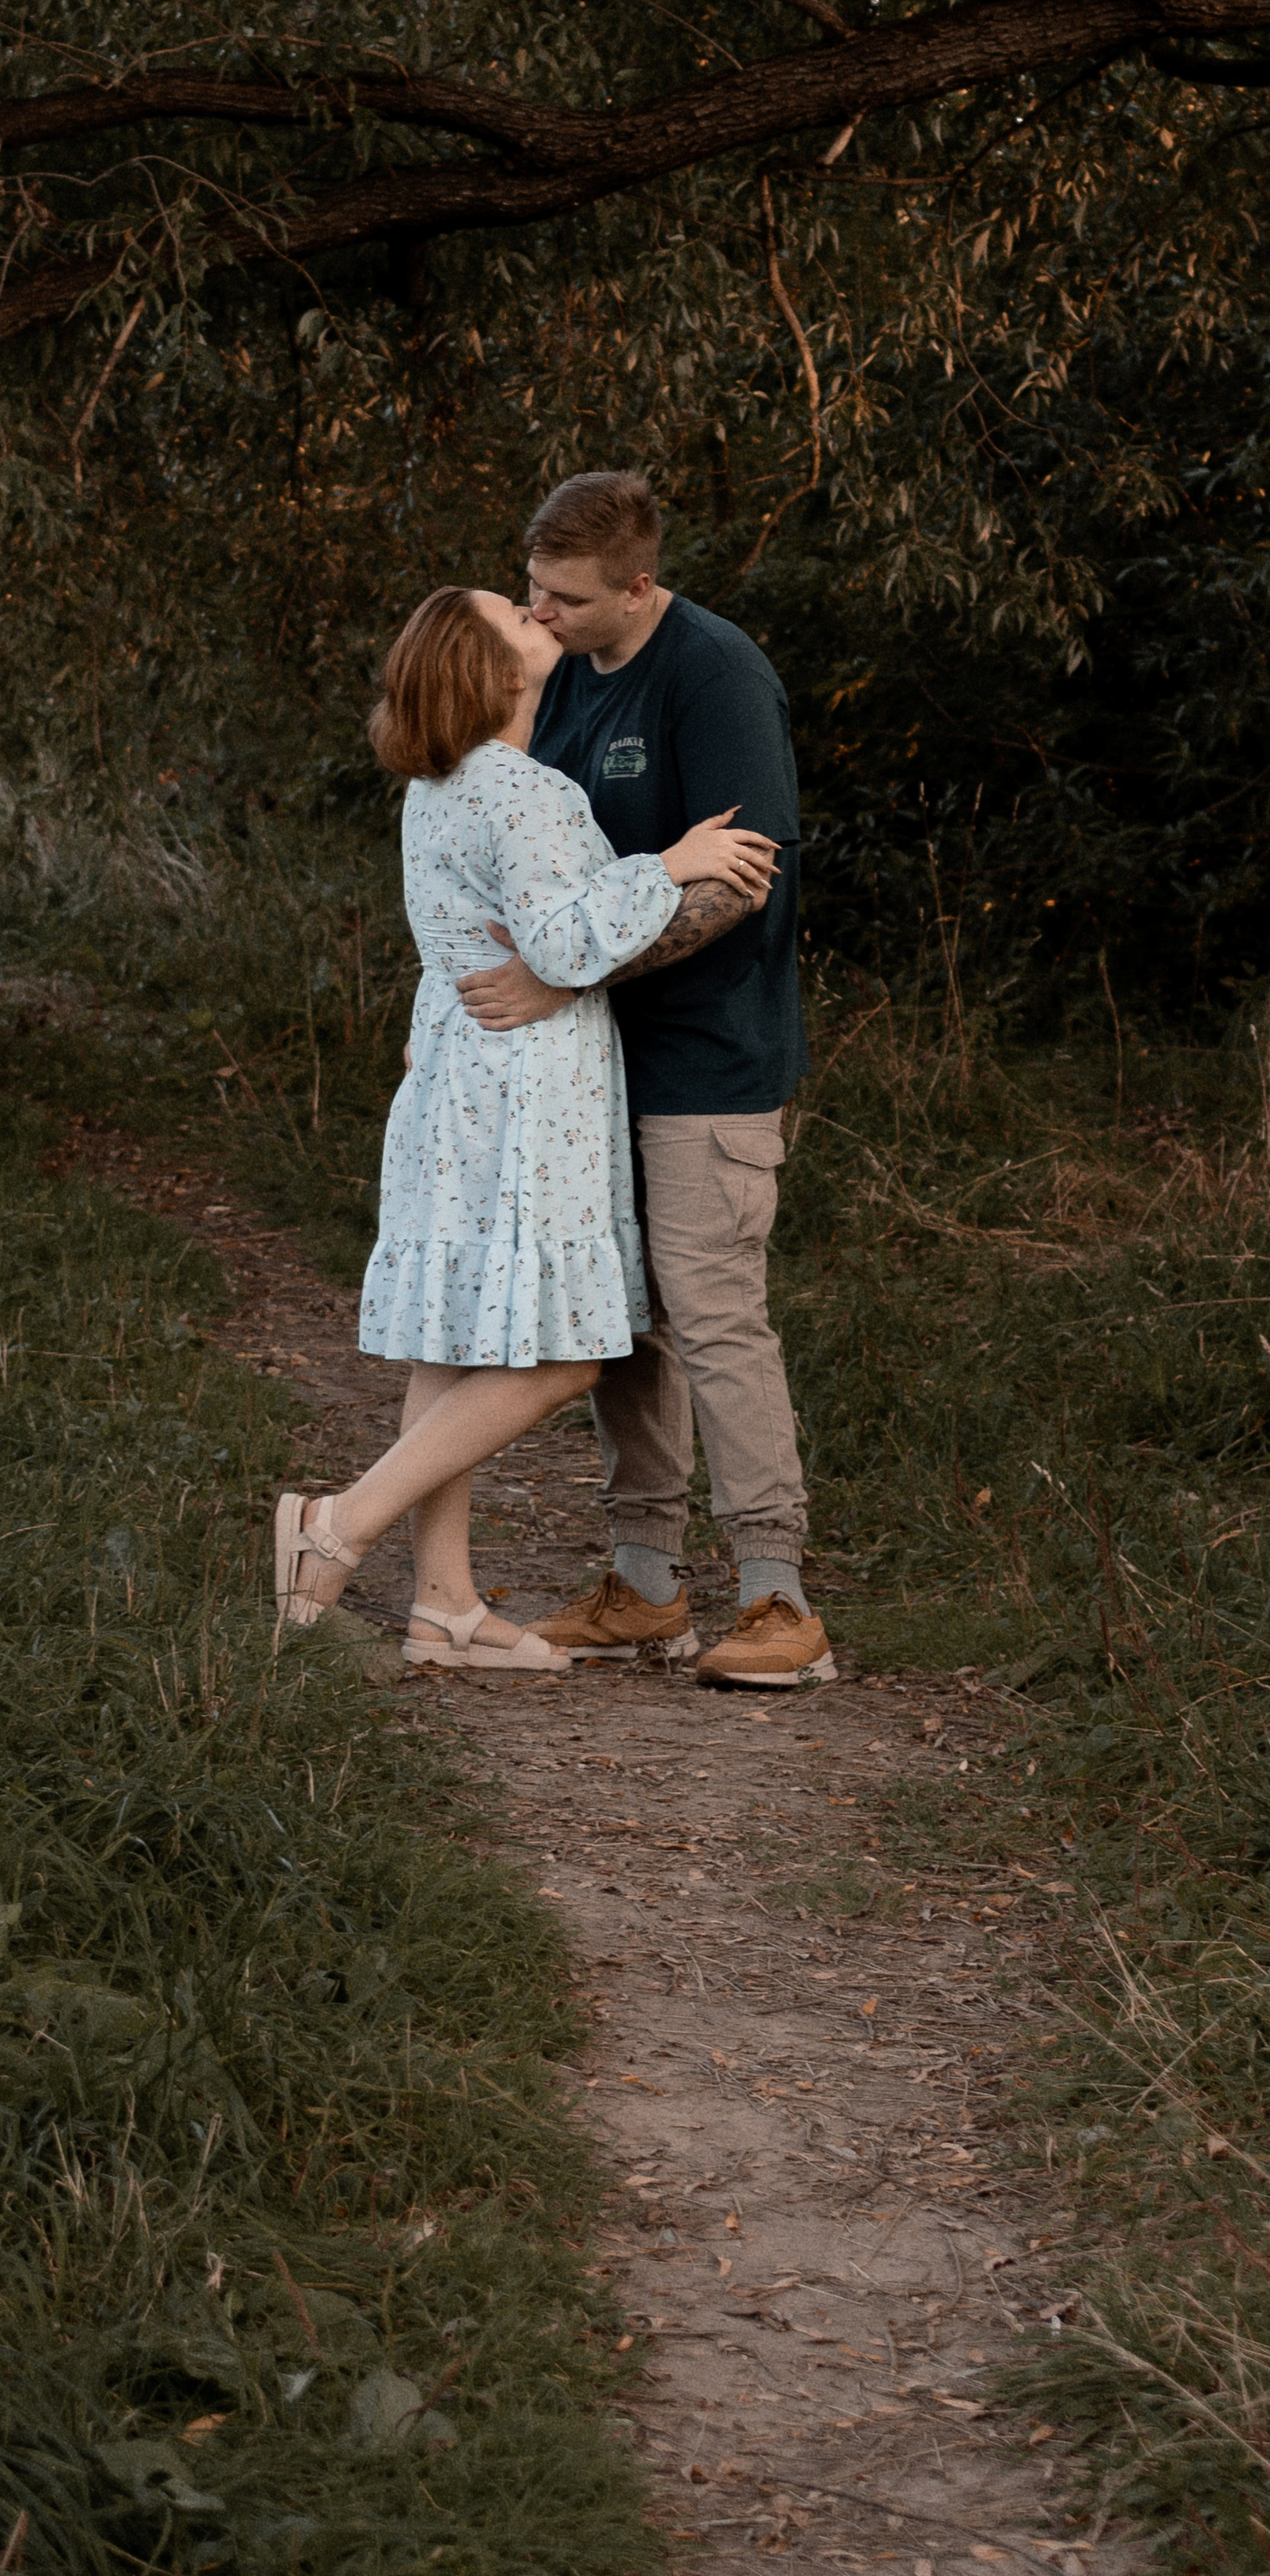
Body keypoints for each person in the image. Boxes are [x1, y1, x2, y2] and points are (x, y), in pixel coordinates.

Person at [272, 583, 777, 1671]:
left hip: (458, 1083)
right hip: (524, 1097)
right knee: (573, 1355)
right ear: (495, 671)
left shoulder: (437, 786)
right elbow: (559, 942)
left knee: (455, 1339)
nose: (536, 613)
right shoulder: (526, 793)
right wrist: (674, 864)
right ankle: (338, 1524)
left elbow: (466, 936)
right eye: (516, 613)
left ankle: (444, 1604)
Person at [456, 469, 830, 1690]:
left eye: (563, 597)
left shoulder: (715, 674)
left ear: (638, 586)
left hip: (710, 1058)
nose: (539, 613)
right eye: (530, 589)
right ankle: (646, 1585)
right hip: (593, 1064)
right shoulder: (557, 674)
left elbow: (737, 880)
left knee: (715, 1313)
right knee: (626, 1326)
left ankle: (779, 1600)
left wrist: (570, 977)